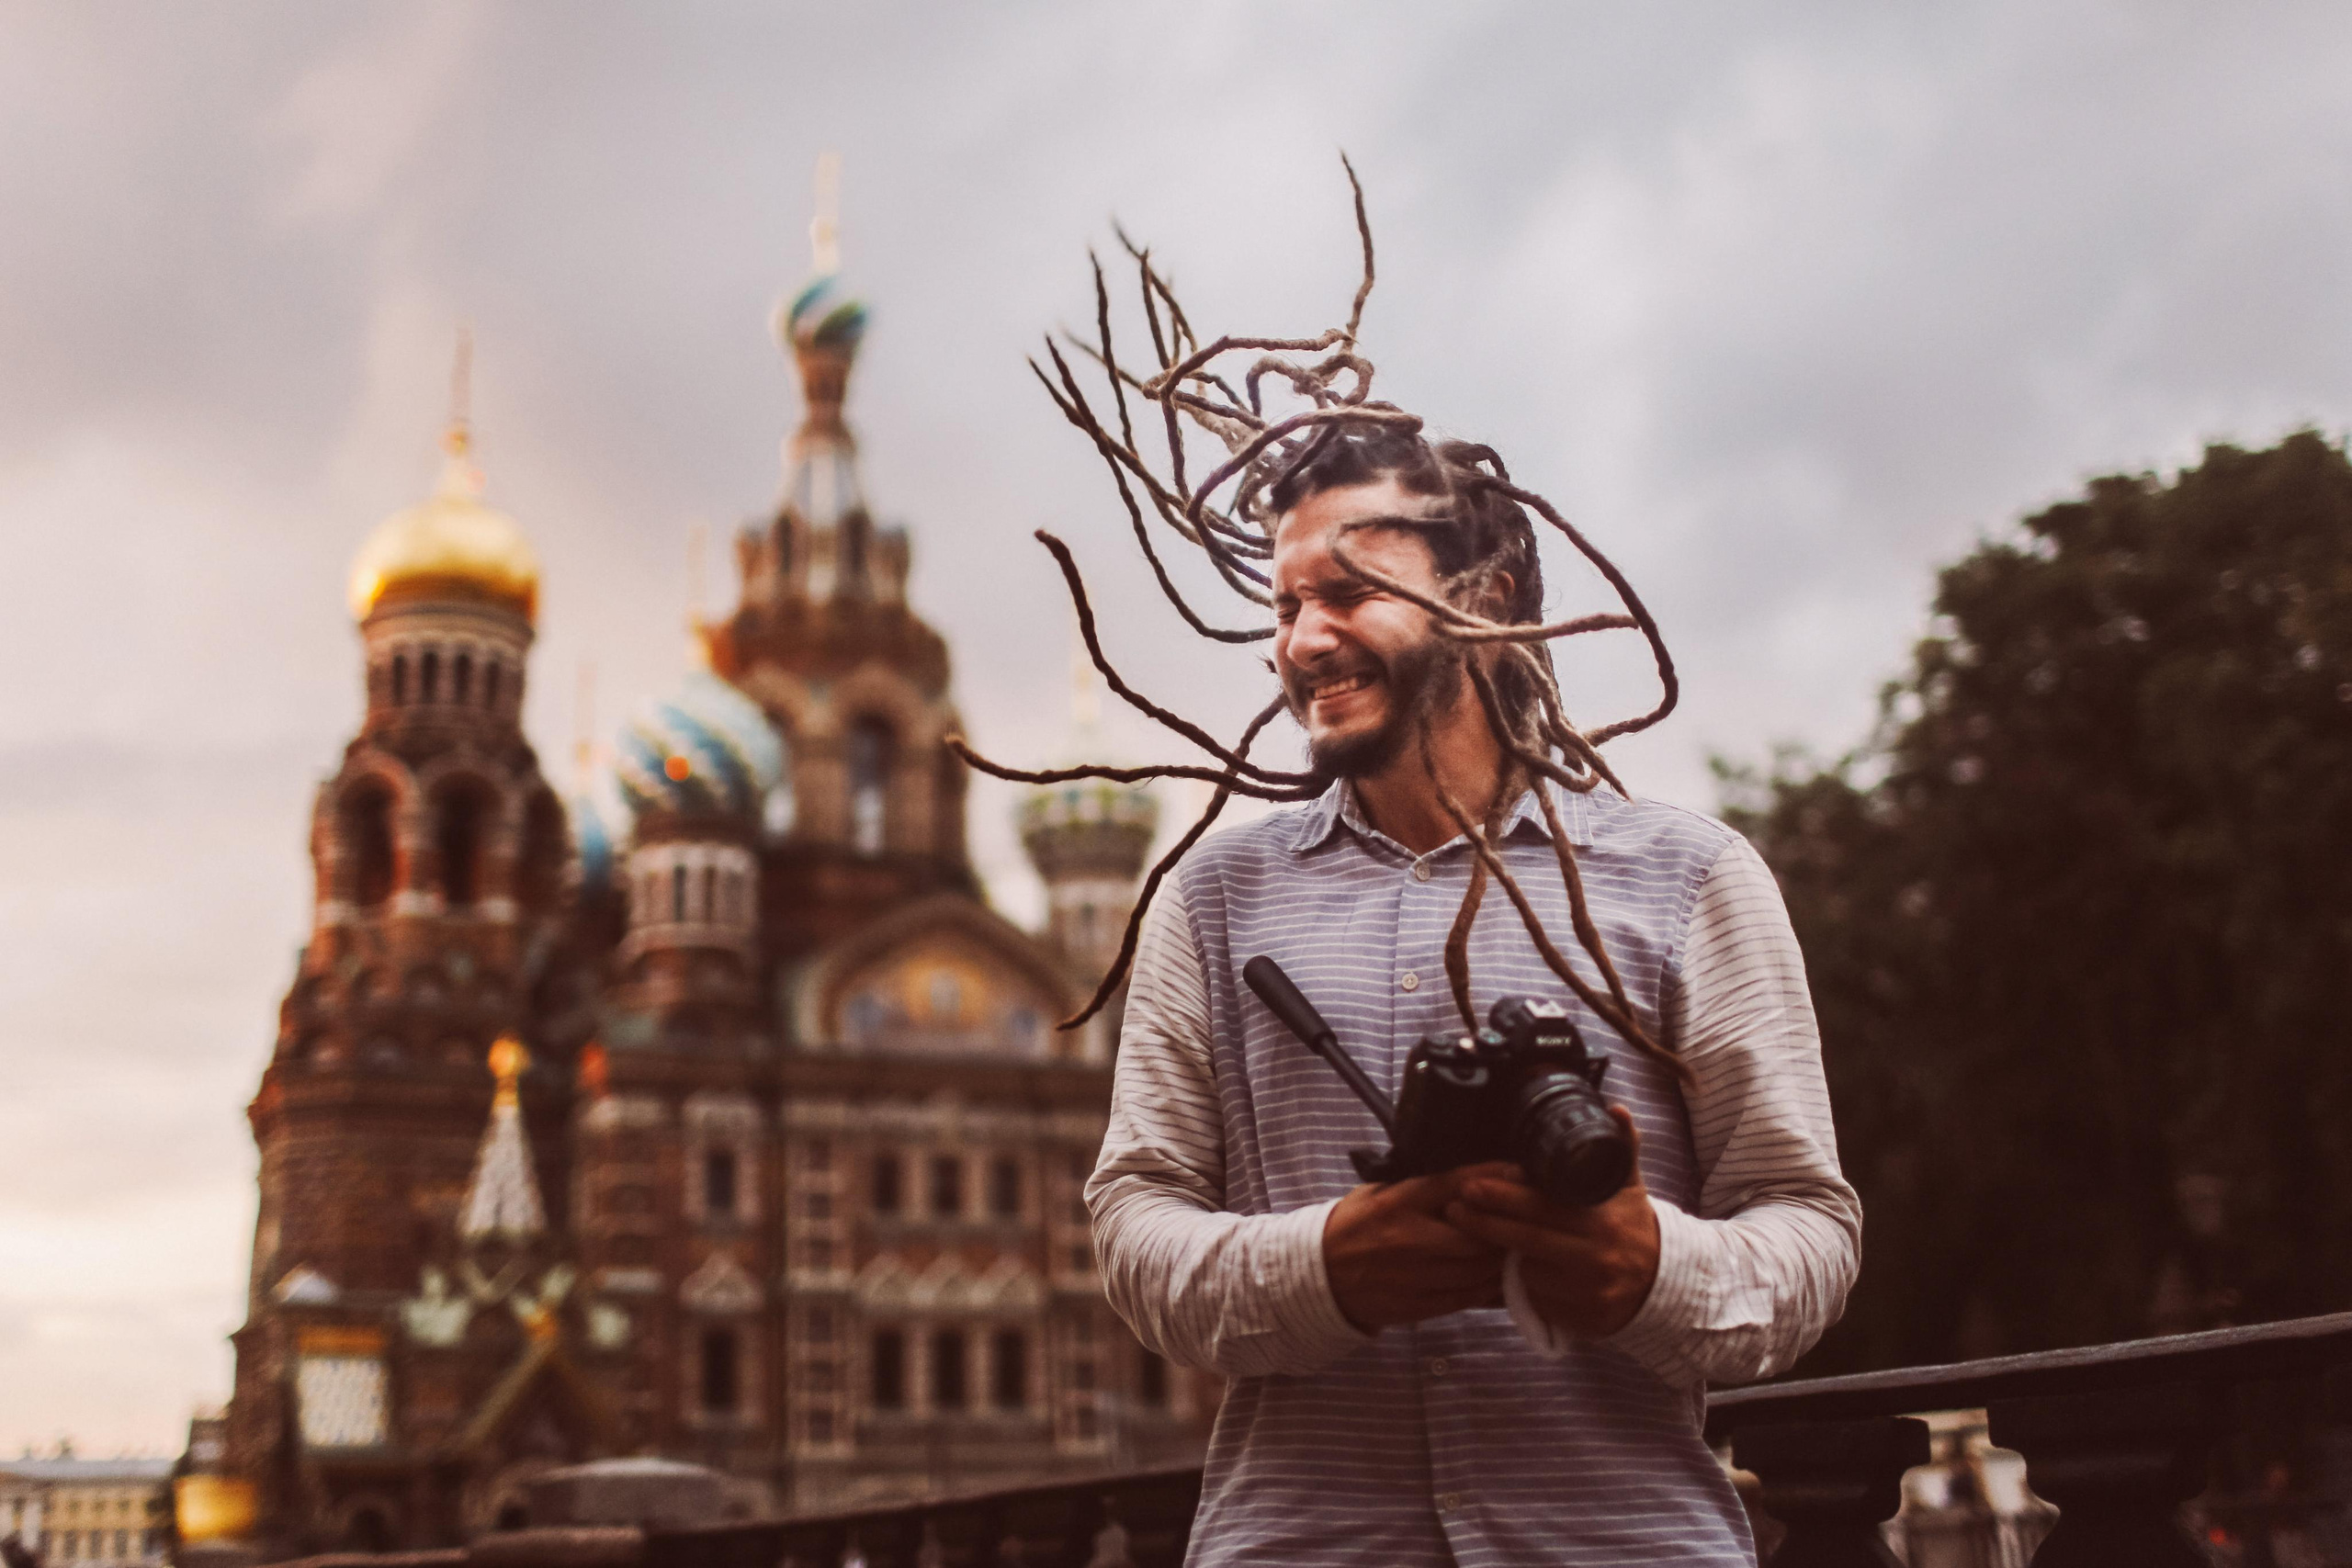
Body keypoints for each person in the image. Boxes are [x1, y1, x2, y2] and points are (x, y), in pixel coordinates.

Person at [1086, 429, 1862, 1566]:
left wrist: (1646, 1270)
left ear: (1486, 598)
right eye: (1285, 605)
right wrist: (1325, 1269)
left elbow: (1810, 1232)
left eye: (1347, 591)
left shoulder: (1686, 877)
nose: (1304, 640)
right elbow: (1132, 1231)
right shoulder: (1211, 901)